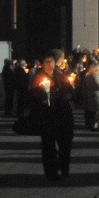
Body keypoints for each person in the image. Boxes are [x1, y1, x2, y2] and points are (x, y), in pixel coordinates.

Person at [29, 49, 75, 181]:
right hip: (47, 117)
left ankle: (64, 169)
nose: (49, 64)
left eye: (51, 61)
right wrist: (42, 94)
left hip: (63, 115)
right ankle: (51, 172)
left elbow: (70, 92)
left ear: (55, 63)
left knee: (65, 144)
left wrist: (71, 88)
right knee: (48, 146)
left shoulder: (60, 75)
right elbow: (32, 97)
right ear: (43, 63)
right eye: (46, 61)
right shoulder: (38, 77)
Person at [83, 60, 99, 132]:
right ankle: (94, 126)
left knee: (95, 111)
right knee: (96, 111)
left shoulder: (93, 75)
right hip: (95, 96)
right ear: (96, 69)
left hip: (95, 96)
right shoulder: (93, 76)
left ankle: (92, 125)